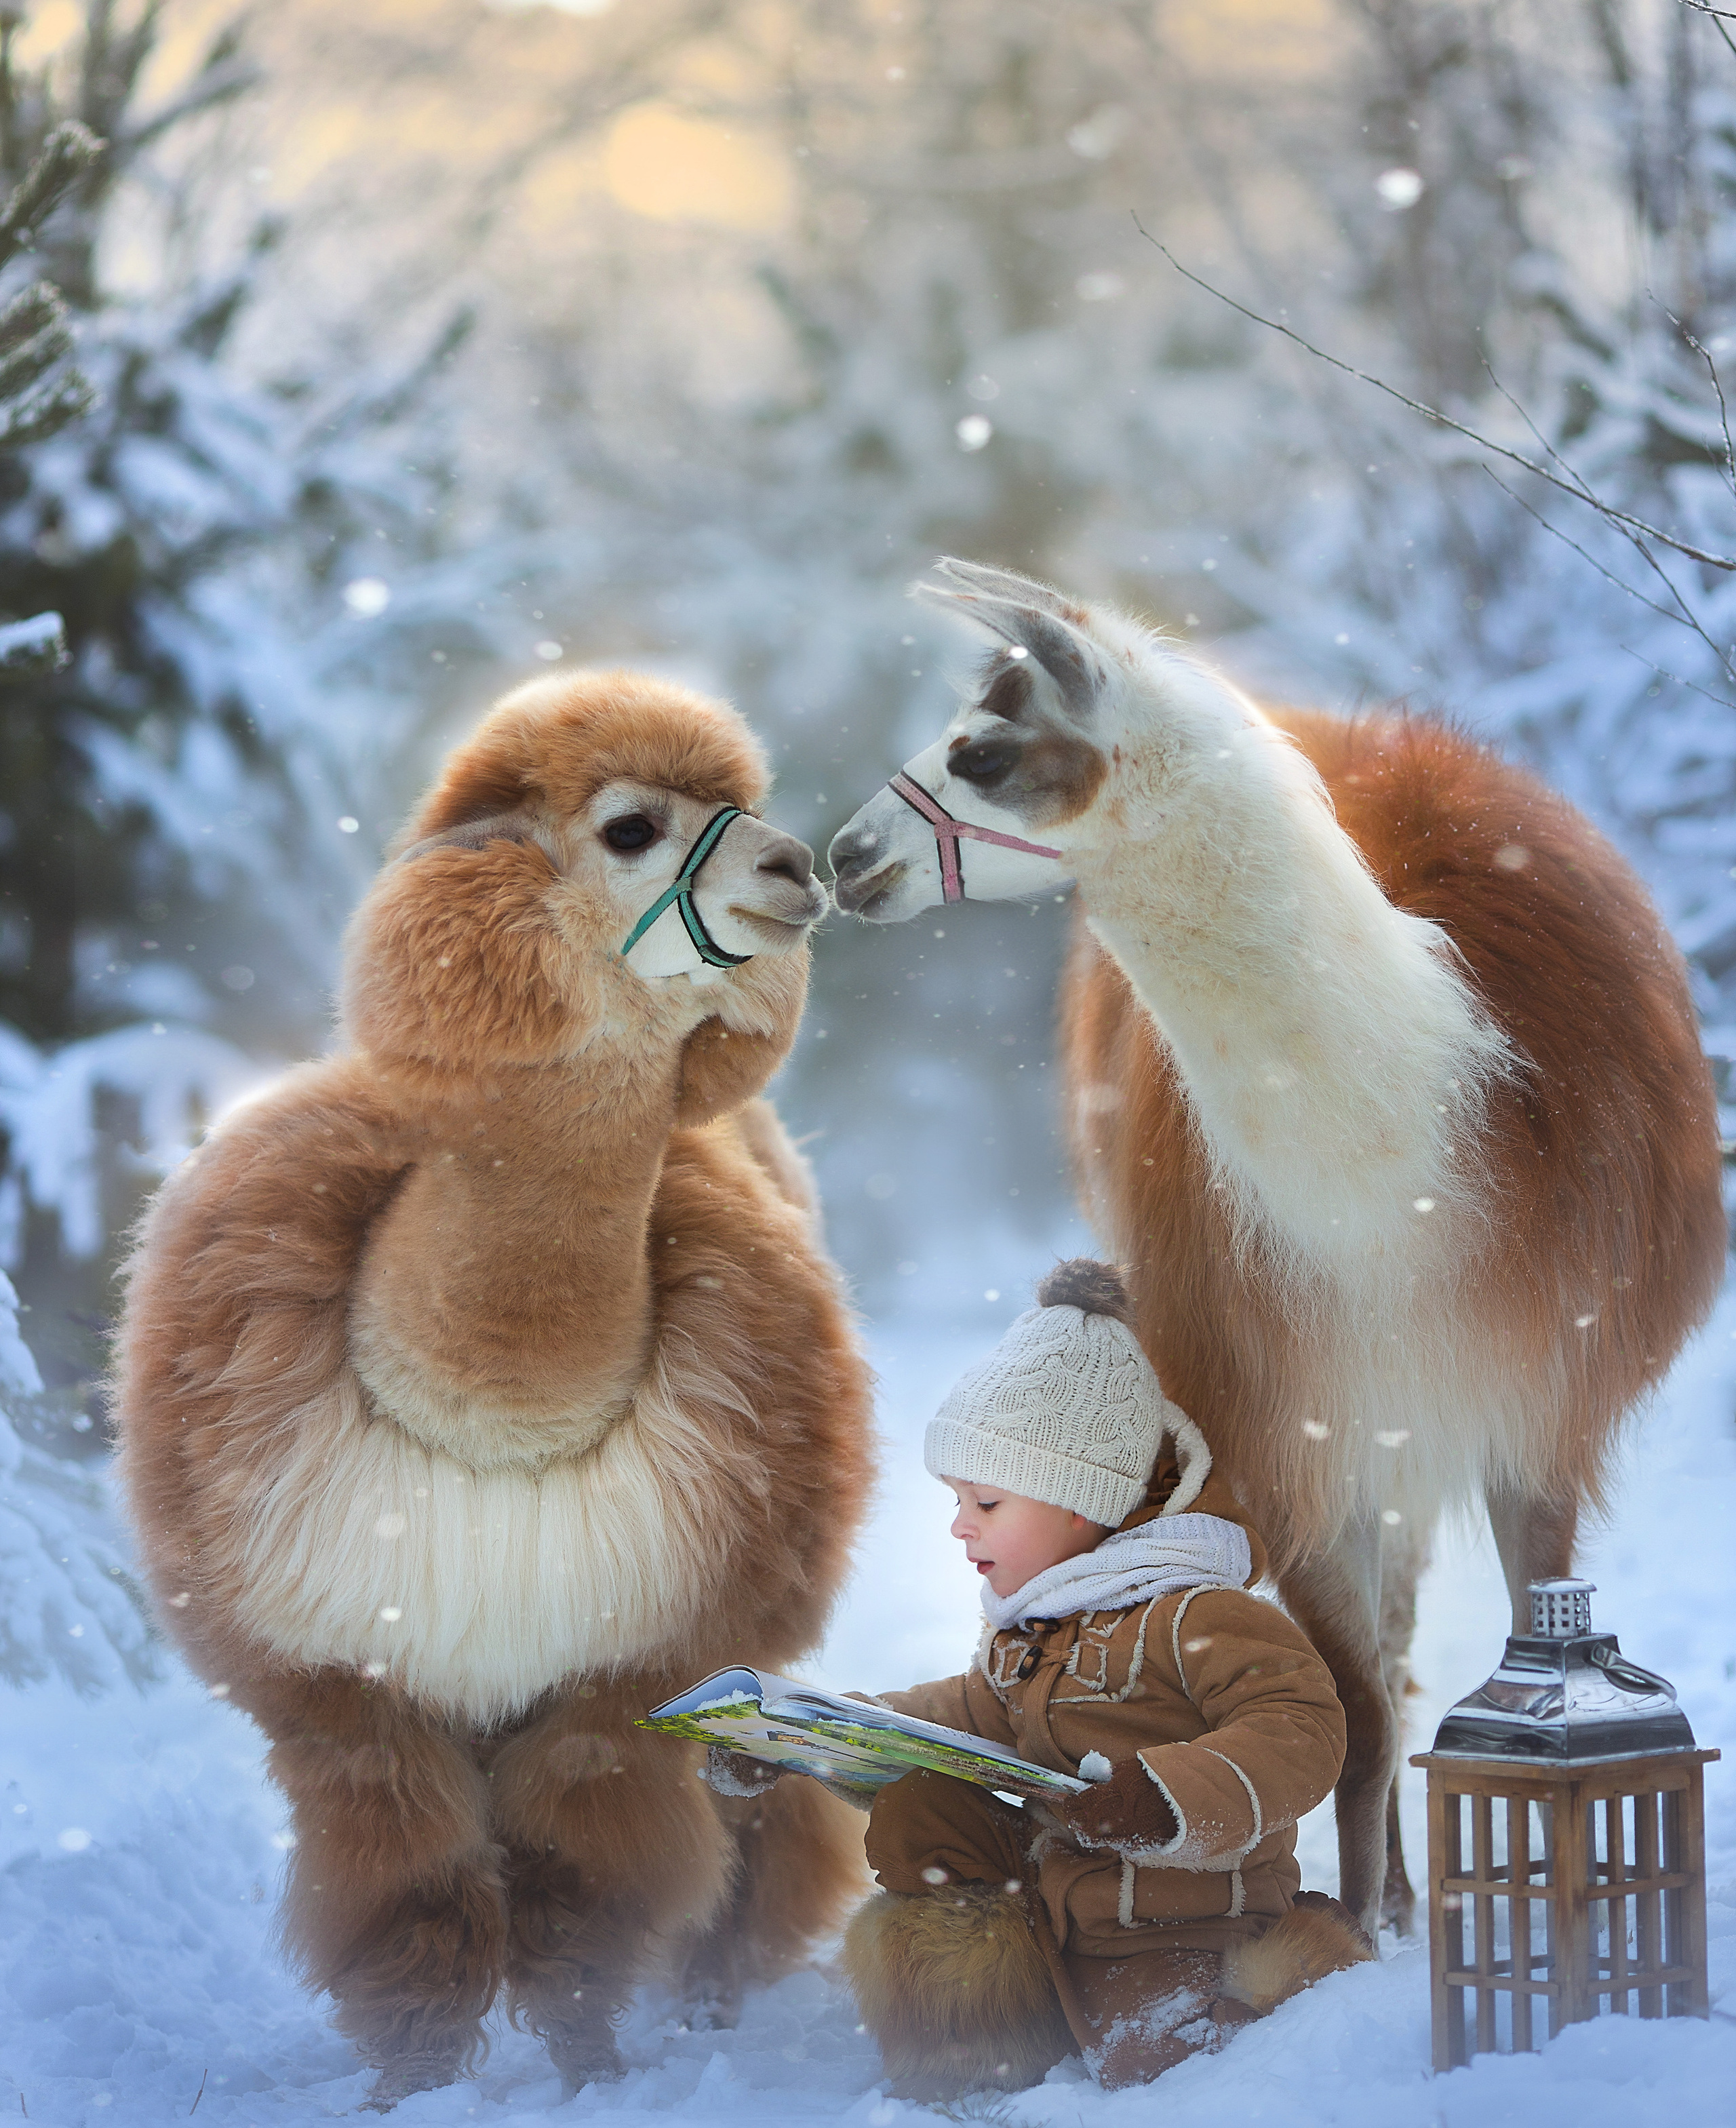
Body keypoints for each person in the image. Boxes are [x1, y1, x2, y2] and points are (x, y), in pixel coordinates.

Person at [795, 1258, 1369, 2096]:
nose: (958, 1526)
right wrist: (820, 1732)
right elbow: (968, 1711)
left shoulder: (1195, 1613)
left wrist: (1166, 1795)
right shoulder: (1036, 1627)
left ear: (1079, 1504)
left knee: (1153, 2064)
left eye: (986, 1503)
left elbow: (1302, 1725)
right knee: (925, 1797)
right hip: (1058, 1902)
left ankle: (1283, 1975)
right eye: (956, 1500)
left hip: (1176, 1921)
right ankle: (980, 2029)